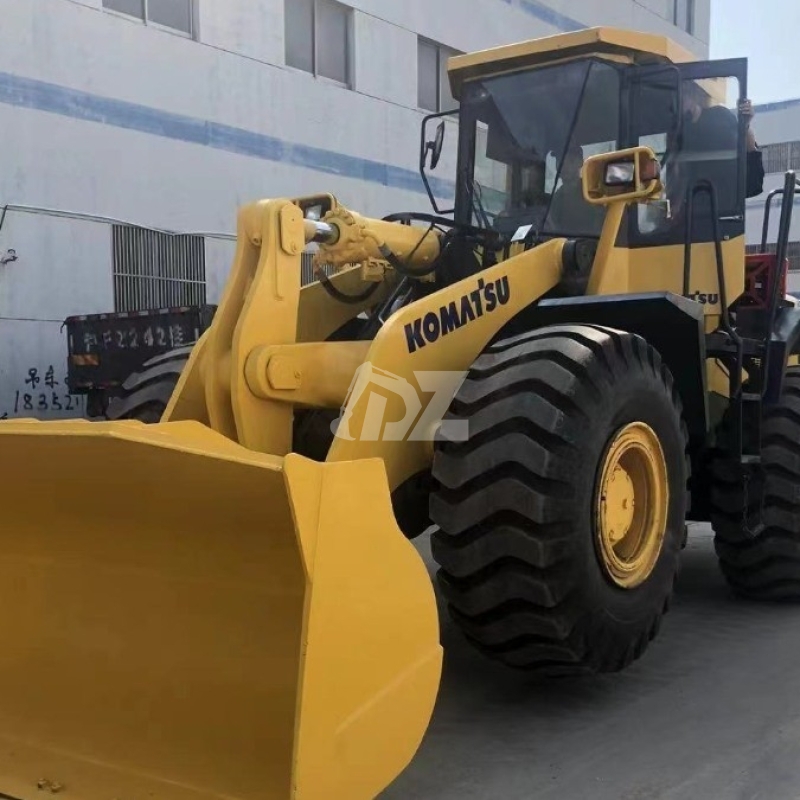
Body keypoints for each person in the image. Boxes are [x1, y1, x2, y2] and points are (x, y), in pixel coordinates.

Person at [681, 81, 765, 198]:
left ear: (693, 95)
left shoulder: (720, 117)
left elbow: (752, 182)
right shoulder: (676, 133)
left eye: (683, 95)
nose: (679, 103)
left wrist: (745, 124)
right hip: (692, 207)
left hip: (724, 206)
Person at [548, 144, 606, 235]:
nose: (564, 166)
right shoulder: (556, 198)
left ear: (580, 163)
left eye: (570, 160)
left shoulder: (593, 192)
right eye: (560, 160)